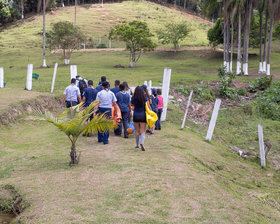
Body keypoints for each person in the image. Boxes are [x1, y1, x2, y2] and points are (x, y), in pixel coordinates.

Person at [131, 86, 149, 151]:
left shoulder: (133, 98)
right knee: (143, 130)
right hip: (143, 115)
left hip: (136, 115)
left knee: (137, 131)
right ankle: (142, 143)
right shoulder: (145, 98)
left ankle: (137, 145)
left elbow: (132, 104)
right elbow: (148, 107)